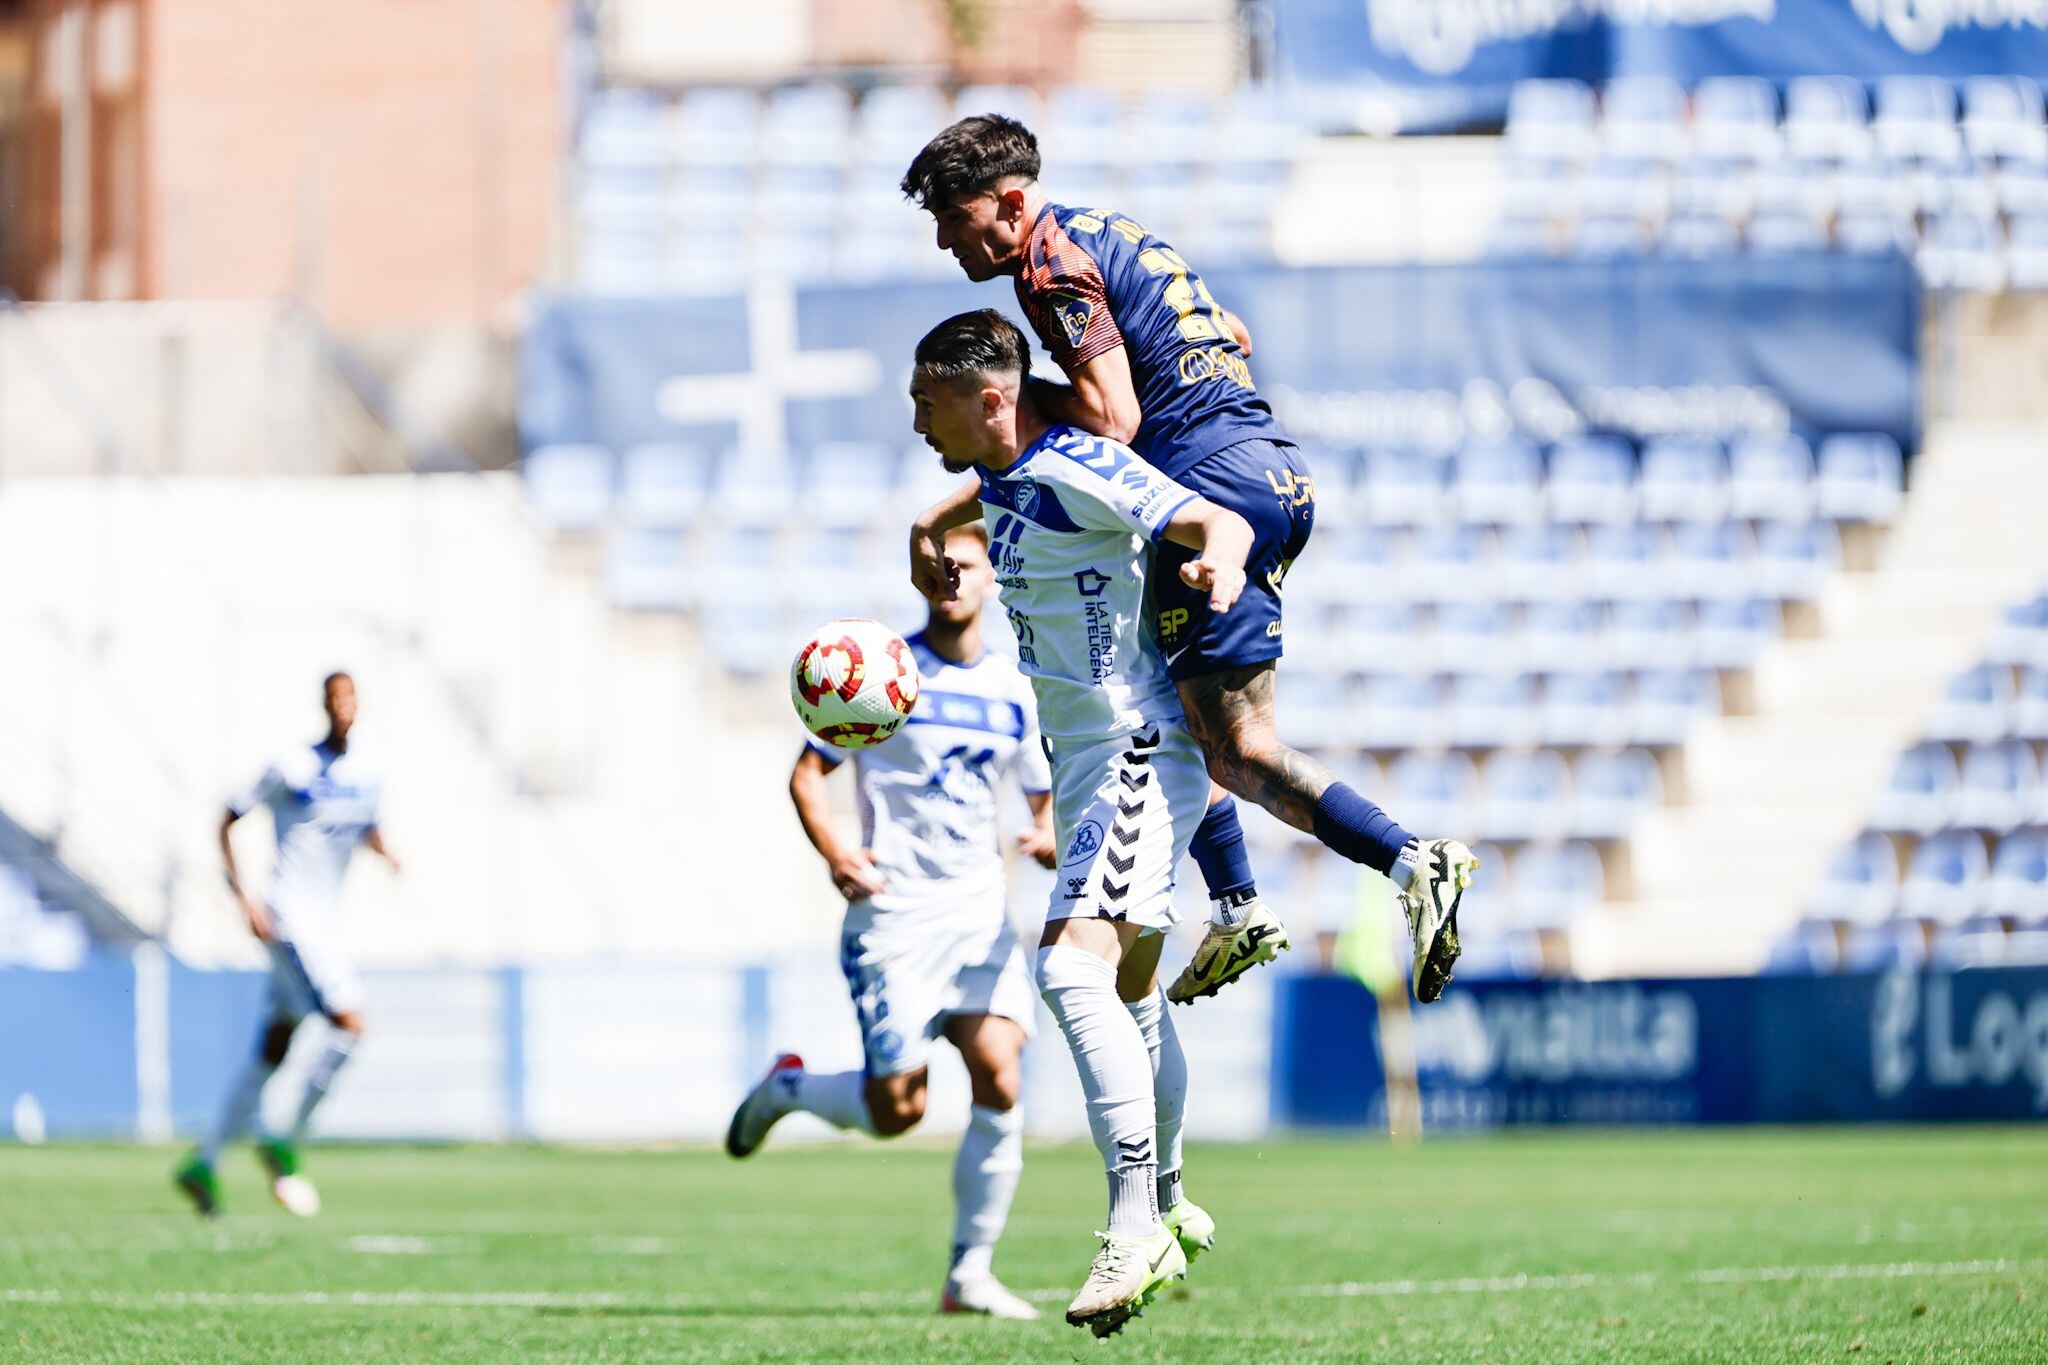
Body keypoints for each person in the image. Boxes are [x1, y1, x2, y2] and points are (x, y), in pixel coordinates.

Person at [901, 115, 1478, 1004]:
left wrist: (1010, 399)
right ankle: (1241, 902)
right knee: (1189, 727)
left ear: (1011, 203)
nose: (943, 237)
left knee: (1236, 748)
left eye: (953, 214)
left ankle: (1406, 860)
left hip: (1211, 484)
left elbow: (1114, 419)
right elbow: (1232, 331)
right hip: (1270, 469)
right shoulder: (1110, 231)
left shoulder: (1051, 266)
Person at [907, 308, 1243, 1338]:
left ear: (988, 398)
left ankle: (1135, 1218)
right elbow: (967, 502)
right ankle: (1171, 1198)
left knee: (1067, 971)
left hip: (1134, 747)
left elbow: (1205, 522)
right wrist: (929, 533)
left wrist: (1218, 567)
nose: (915, 420)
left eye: (927, 401)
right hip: (1089, 765)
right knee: (1131, 997)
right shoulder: (1006, 480)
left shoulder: (1070, 468)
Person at [725, 525, 1055, 1321]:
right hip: (897, 916)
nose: (950, 573)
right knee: (897, 1111)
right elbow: (809, 774)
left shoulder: (1016, 689)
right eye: (937, 564)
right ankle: (790, 1087)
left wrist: (1045, 831)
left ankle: (968, 1274)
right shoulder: (884, 673)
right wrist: (839, 853)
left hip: (979, 912)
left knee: (1001, 1074)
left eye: (965, 563)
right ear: (921, 579)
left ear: (990, 578)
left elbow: (1041, 792)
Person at [175, 672, 399, 1218]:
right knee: (350, 1023)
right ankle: (284, 1140)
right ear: (324, 705)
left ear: (359, 706)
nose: (343, 708)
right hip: (289, 920)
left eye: (350, 698)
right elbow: (227, 818)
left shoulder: (368, 772)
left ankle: (204, 1163)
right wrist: (244, 898)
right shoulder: (291, 765)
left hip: (324, 924)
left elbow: (366, 829)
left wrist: (389, 854)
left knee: (274, 1048)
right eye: (334, 699)